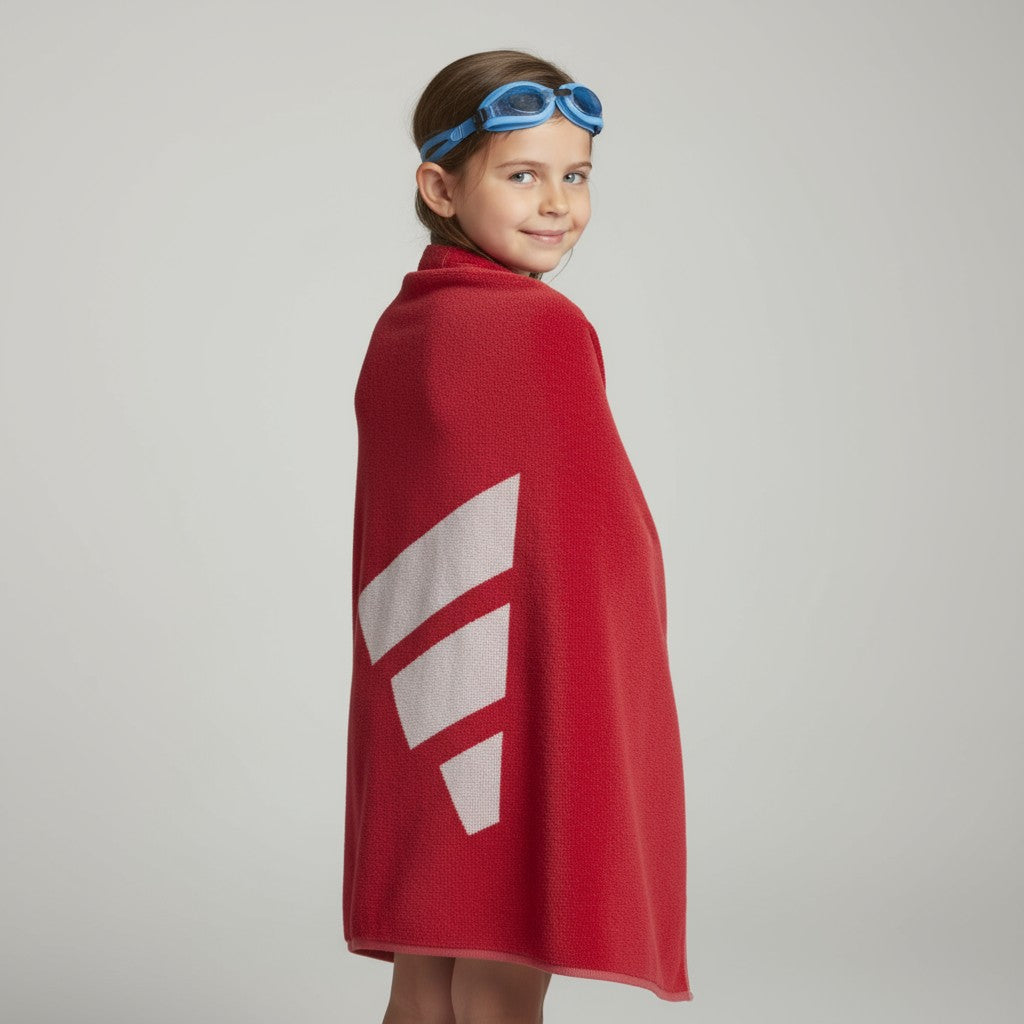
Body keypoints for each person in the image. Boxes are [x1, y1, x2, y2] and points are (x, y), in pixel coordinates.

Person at [343, 49, 693, 1023]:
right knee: (505, 962)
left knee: (429, 961)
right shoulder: (539, 328)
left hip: (426, 700)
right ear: (440, 187)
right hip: (519, 697)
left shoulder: (406, 327)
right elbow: (575, 552)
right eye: (522, 175)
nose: (556, 204)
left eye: (575, 176)